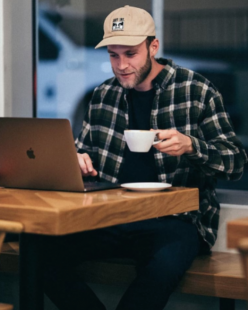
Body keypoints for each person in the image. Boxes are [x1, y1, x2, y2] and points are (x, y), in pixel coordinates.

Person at [43, 5, 248, 310]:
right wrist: (77, 159)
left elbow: (236, 163)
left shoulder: (197, 91)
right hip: (112, 216)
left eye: (130, 53)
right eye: (113, 55)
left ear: (153, 47)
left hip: (176, 221)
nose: (121, 65)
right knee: (39, 252)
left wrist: (192, 146)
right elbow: (83, 151)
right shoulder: (102, 95)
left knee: (161, 267)